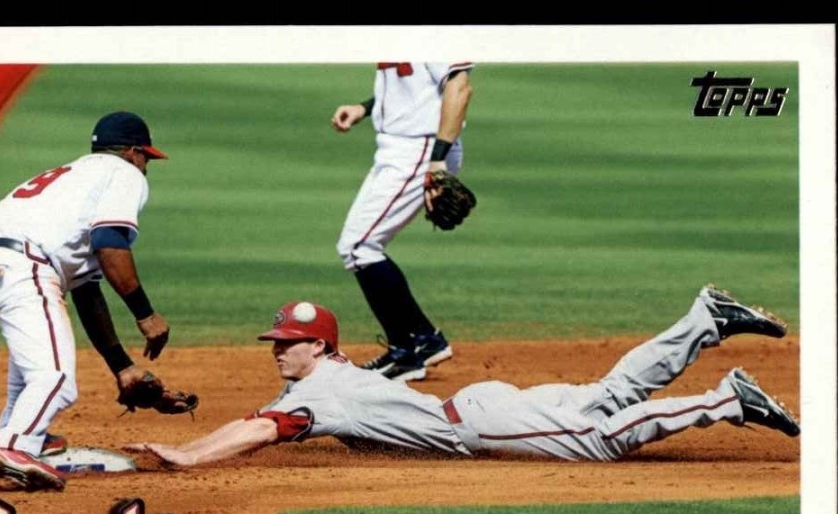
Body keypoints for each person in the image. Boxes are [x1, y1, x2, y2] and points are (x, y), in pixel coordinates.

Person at [127, 285, 799, 468]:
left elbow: (260, 429)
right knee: (609, 395)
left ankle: (725, 400)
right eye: (276, 342)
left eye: (288, 344)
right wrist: (189, 430)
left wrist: (189, 455)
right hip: (480, 406)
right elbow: (266, 414)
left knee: (599, 438)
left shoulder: (322, 389)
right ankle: (705, 318)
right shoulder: (330, 374)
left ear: (319, 347)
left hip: (482, 424)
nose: (277, 350)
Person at [0, 111, 173, 491]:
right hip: (20, 269)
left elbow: (85, 288)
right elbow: (110, 243)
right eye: (146, 157)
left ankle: (22, 436)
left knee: (34, 370)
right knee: (57, 380)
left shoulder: (72, 178)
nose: (146, 166)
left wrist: (123, 367)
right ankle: (12, 445)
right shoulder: (124, 173)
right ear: (133, 152)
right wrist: (144, 314)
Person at [330, 62, 474, 382]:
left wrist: (437, 160)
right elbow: (411, 89)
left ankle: (409, 349)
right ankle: (419, 341)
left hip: (421, 149)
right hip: (398, 148)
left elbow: (460, 87)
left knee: (359, 246)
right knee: (357, 246)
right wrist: (364, 108)